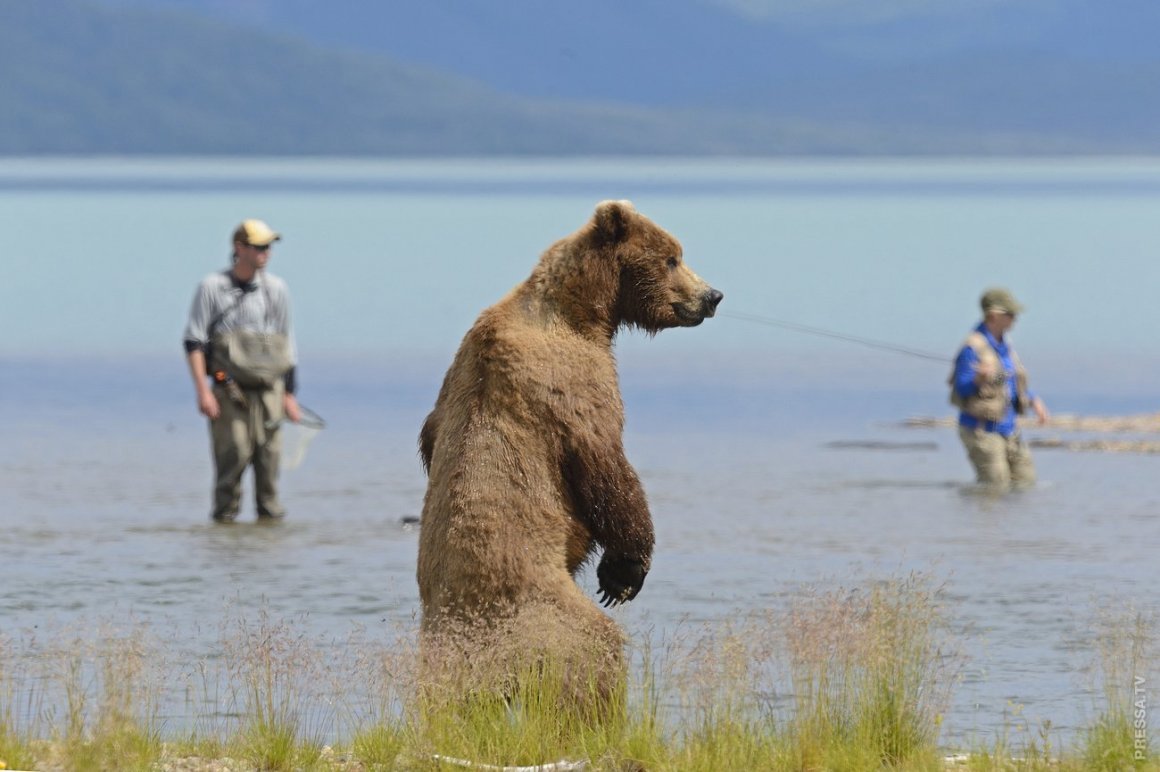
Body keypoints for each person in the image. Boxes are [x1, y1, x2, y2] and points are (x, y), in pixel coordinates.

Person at [183, 219, 301, 522]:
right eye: (259, 247)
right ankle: (223, 530)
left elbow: (287, 344)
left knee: (269, 463)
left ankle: (268, 535)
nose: (266, 253)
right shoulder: (212, 287)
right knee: (232, 458)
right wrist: (203, 392)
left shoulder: (277, 289)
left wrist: (290, 394)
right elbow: (194, 342)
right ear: (239, 248)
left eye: (268, 247)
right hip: (229, 388)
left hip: (270, 390)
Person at [949, 287, 1049, 489]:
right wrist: (979, 378)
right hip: (981, 430)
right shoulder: (972, 348)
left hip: (1009, 429)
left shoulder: (1005, 346)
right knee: (994, 487)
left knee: (1026, 483)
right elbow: (962, 389)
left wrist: (1033, 400)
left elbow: (1008, 379)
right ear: (993, 315)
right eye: (1010, 314)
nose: (1015, 318)